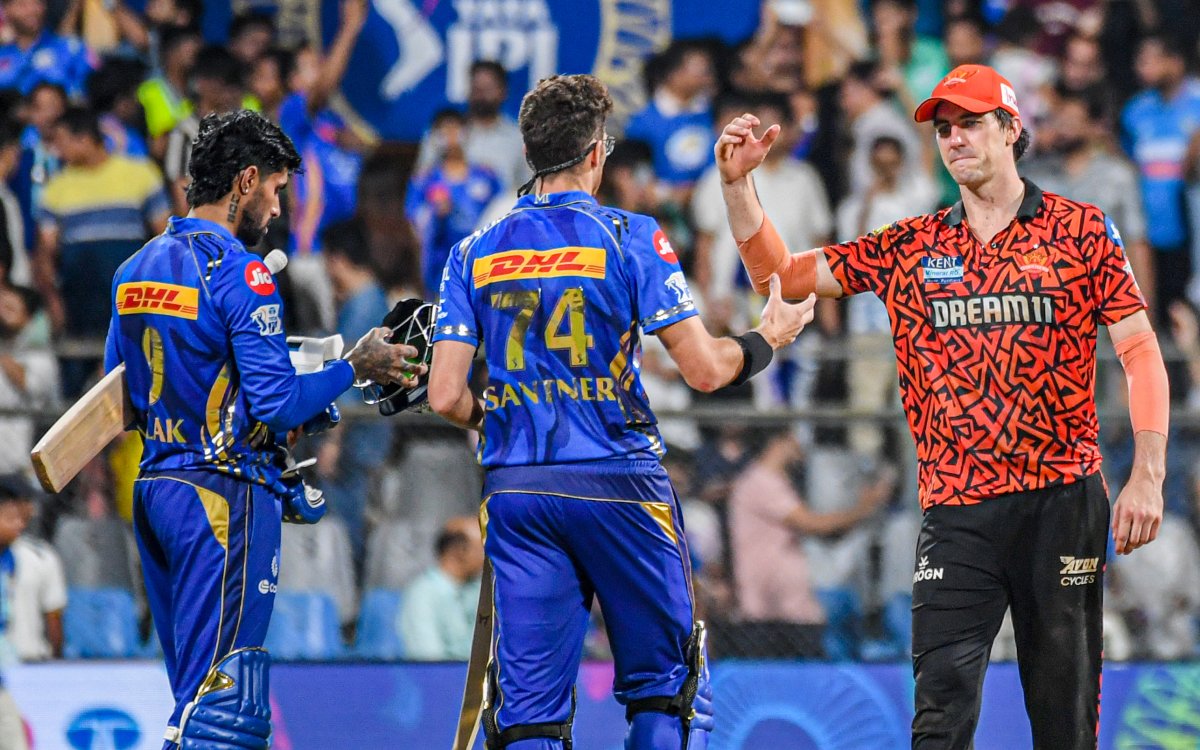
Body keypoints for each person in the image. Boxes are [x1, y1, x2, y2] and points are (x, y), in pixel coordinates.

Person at [716, 63, 1169, 748]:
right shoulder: (911, 245)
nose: (954, 138)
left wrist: (1149, 473)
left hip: (1062, 501)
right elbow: (779, 277)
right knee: (940, 716)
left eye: (971, 123)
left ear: (1011, 129)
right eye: (944, 128)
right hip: (957, 509)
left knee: (1065, 721)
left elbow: (1139, 350)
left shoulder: (1083, 230)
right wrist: (738, 187)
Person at [427, 73, 815, 750]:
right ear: (595, 153)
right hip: (619, 483)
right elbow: (704, 369)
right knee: (669, 691)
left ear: (530, 154)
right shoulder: (630, 236)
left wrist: (508, 417)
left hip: (519, 489)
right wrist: (767, 339)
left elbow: (445, 396)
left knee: (528, 713)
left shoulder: (472, 251)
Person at [104, 109, 422, 749]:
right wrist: (354, 366)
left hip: (156, 488)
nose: (277, 208)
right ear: (246, 181)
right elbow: (278, 403)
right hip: (222, 498)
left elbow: (123, 396)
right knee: (230, 703)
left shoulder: (134, 268)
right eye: (276, 189)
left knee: (194, 698)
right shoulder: (242, 272)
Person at [0, 473, 66, 663]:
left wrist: (55, 662)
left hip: (30, 660)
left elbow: (54, 619)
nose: (20, 523)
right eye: (11, 516)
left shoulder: (41, 557)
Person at [397, 516, 484, 660]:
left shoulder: (480, 590)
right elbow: (429, 659)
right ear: (460, 551)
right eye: (484, 548)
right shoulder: (423, 594)